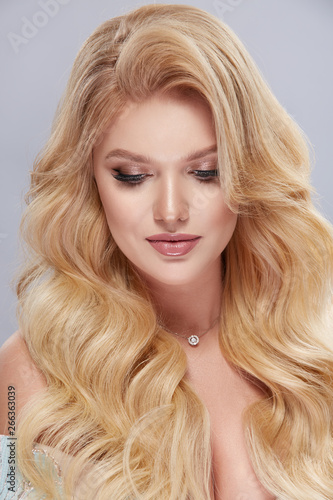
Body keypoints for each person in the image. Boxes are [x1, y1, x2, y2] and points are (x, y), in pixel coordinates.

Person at [0, 4, 332, 499]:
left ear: (248, 171)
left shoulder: (316, 340)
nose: (171, 211)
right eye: (132, 176)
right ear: (89, 180)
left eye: (205, 172)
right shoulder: (25, 373)